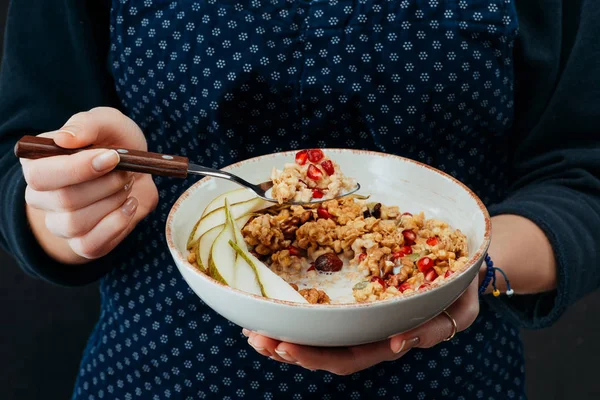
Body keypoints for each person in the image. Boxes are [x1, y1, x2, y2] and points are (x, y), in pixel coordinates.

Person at [1, 0, 598, 398]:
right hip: (163, 370)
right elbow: (24, 156)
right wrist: (73, 208)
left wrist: (478, 269)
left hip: (449, 370)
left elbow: (581, 175)